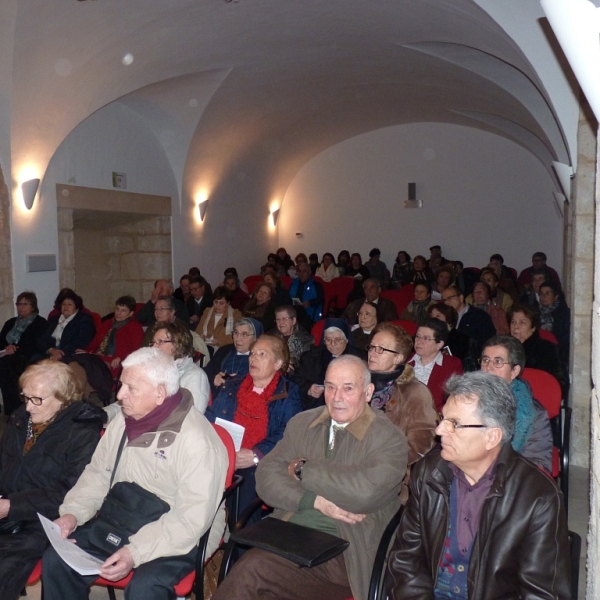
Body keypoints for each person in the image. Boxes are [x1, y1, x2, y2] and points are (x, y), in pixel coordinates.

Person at [213, 355, 408, 600]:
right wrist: (313, 501)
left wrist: (304, 469)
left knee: (253, 571)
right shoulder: (304, 423)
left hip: (347, 551)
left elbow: (365, 492)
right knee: (258, 575)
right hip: (289, 534)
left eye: (348, 388)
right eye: (330, 387)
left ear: (368, 392)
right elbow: (265, 477)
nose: (337, 397)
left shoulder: (388, 437)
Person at [42, 348, 228, 600]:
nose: (120, 395)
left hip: (180, 532)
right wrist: (72, 514)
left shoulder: (198, 442)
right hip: (124, 514)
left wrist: (135, 552)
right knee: (57, 560)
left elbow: (190, 520)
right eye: (121, 385)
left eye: (131, 388)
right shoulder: (124, 421)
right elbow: (98, 473)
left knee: (145, 588)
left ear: (160, 393)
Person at [386, 371, 570, 600]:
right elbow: (405, 561)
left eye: (454, 424)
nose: (440, 430)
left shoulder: (537, 497)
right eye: (443, 419)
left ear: (492, 437)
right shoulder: (429, 473)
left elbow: (542, 593)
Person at [0, 360, 104, 600]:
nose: (28, 407)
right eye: (25, 397)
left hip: (43, 520)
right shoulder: (20, 418)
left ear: (63, 398)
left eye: (37, 399)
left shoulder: (82, 431)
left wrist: (11, 506)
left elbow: (69, 490)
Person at [206, 335, 302, 518]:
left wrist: (256, 455)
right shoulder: (233, 384)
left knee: (246, 486)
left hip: (262, 461)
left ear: (277, 363)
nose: (253, 358)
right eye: (252, 353)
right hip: (224, 451)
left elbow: (289, 433)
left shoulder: (288, 392)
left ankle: (240, 542)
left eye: (262, 354)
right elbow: (212, 416)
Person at [367, 323, 437, 469]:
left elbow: (421, 444)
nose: (372, 353)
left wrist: (379, 464)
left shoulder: (414, 391)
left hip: (388, 472)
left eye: (380, 349)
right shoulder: (359, 384)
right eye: (372, 347)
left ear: (398, 358)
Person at [479, 336, 553, 473]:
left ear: (514, 371)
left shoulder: (534, 414)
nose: (488, 367)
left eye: (498, 361)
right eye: (485, 360)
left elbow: (537, 466)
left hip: (510, 480)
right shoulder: (466, 400)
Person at [68, 295, 144, 405]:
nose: (118, 313)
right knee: (74, 365)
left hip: (113, 363)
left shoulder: (135, 327)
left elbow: (137, 351)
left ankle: (75, 403)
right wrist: (85, 351)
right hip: (96, 359)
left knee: (85, 371)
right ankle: (75, 402)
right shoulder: (107, 323)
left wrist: (122, 358)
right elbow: (94, 344)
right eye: (117, 309)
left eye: (123, 311)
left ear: (131, 313)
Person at [292, 319, 366, 409]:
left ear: (346, 340)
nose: (332, 344)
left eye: (337, 340)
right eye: (328, 339)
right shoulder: (311, 356)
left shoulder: (360, 358)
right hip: (316, 409)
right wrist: (309, 388)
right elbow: (296, 379)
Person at [0, 292, 47, 415]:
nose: (21, 307)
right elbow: (1, 340)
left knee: (6, 365)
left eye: (25, 304)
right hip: (7, 354)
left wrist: (15, 348)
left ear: (33, 306)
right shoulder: (10, 322)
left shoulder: (40, 323)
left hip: (27, 356)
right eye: (19, 304)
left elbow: (37, 344)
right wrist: (7, 347)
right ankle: (11, 409)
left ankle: (17, 409)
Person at [152, 320, 210, 413]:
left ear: (177, 344)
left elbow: (193, 416)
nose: (154, 347)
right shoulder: (155, 370)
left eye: (160, 342)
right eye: (154, 342)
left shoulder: (196, 376)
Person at [408, 318, 464, 413]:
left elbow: (456, 399)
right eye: (417, 336)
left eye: (426, 338)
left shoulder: (452, 365)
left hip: (434, 419)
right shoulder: (405, 360)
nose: (418, 341)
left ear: (439, 344)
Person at [508, 304, 567, 393]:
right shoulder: (503, 347)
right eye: (513, 322)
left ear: (533, 327)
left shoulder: (547, 349)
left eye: (522, 322)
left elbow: (559, 383)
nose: (515, 326)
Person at [203, 318, 264, 398]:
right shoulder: (224, 350)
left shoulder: (262, 358)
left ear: (255, 338)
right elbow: (207, 371)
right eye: (236, 333)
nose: (238, 338)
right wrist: (214, 379)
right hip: (219, 398)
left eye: (244, 334)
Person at [33, 290, 96, 364]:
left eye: (70, 304)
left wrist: (61, 354)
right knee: (34, 360)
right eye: (63, 304)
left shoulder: (84, 319)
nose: (66, 307)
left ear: (76, 307)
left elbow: (82, 341)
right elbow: (41, 340)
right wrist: (51, 350)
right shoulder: (54, 320)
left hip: (70, 354)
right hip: (51, 353)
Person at [441, 285, 496, 364]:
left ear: (461, 298)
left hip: (472, 362)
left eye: (449, 298)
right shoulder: (443, 317)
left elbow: (489, 341)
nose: (446, 302)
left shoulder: (479, 316)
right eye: (444, 300)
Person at [427, 304, 473, 370]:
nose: (433, 319)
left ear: (449, 321)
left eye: (438, 316)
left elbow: (468, 367)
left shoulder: (462, 340)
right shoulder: (423, 337)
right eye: (431, 316)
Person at [538, 281, 570, 365]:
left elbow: (567, 335)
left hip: (558, 352)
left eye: (548, 293)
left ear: (556, 297)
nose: (543, 296)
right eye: (541, 293)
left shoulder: (564, 313)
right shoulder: (534, 312)